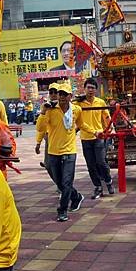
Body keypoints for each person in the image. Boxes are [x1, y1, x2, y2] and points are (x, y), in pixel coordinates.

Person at [36, 83, 100, 222]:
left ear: (70, 96)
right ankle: (76, 197)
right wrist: (43, 112)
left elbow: (82, 125)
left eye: (65, 94)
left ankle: (62, 210)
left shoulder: (76, 110)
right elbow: (40, 128)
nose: (62, 97)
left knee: (66, 182)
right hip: (53, 152)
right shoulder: (51, 110)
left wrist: (94, 131)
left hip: (70, 151)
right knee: (59, 183)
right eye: (60, 94)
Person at [75, 78, 114, 199]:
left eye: (93, 88)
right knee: (91, 164)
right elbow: (70, 107)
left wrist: (109, 128)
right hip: (86, 138)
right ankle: (97, 187)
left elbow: (107, 118)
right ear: (84, 88)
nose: (90, 90)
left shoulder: (100, 102)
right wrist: (76, 99)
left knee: (101, 162)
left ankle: (108, 181)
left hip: (99, 137)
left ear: (96, 90)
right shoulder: (79, 103)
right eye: (88, 87)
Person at [36, 83, 60, 180]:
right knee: (49, 165)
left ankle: (63, 187)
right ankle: (60, 185)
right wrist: (38, 142)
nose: (53, 94)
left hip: (62, 139)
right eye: (51, 92)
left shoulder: (65, 106)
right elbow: (41, 127)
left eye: (56, 92)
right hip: (49, 140)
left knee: (62, 165)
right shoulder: (45, 107)